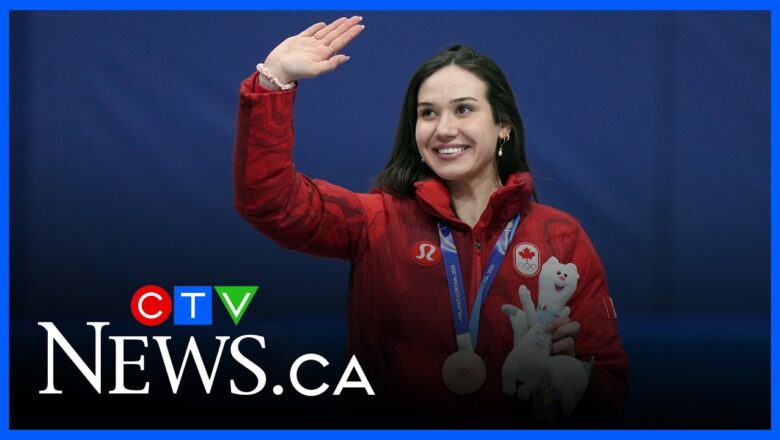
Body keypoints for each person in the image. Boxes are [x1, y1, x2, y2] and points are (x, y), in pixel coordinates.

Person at [234, 16, 628, 426]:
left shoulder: (559, 237)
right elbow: (269, 203)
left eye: (463, 109)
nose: (444, 129)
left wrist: (574, 383)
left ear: (503, 127)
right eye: (427, 114)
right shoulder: (377, 221)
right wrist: (273, 81)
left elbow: (609, 378)